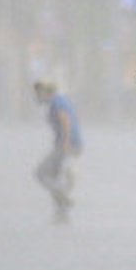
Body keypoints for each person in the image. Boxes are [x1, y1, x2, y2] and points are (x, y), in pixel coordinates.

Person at [33, 81, 83, 224]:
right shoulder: (60, 100)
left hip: (66, 145)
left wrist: (65, 143)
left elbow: (65, 120)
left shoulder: (57, 102)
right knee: (55, 175)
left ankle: (63, 198)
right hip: (69, 143)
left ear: (45, 92)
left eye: (38, 93)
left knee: (41, 173)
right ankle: (61, 206)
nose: (37, 97)